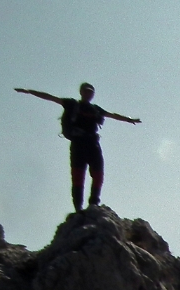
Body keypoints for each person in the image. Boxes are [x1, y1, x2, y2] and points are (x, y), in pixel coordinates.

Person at [15, 83, 141, 212]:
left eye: (91, 92)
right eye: (86, 91)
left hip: (93, 144)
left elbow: (112, 115)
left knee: (98, 175)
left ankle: (94, 203)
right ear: (81, 92)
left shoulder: (96, 110)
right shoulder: (72, 104)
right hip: (78, 144)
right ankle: (78, 208)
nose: (89, 94)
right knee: (78, 176)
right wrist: (29, 91)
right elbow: (51, 97)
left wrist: (129, 120)